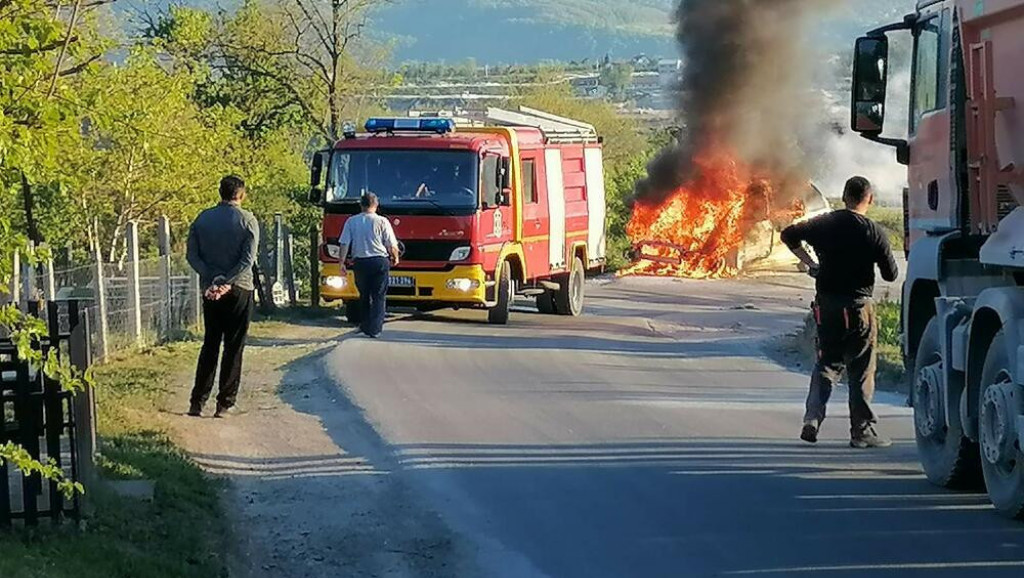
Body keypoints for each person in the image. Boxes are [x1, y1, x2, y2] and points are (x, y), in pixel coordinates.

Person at [781, 176, 899, 449]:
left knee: (826, 363)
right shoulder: (873, 231)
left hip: (827, 307)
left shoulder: (823, 223)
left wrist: (811, 263)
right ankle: (862, 431)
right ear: (869, 200)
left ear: (844, 197)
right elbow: (891, 275)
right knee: (860, 370)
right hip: (859, 309)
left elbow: (788, 234)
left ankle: (812, 418)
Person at [186, 175, 260, 418]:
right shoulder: (247, 220)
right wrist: (227, 280)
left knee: (210, 343)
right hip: (240, 287)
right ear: (241, 194)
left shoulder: (202, 219)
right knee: (234, 345)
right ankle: (225, 403)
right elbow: (247, 260)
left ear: (220, 193)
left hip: (210, 289)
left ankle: (197, 401)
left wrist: (213, 278)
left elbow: (192, 256)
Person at [337, 193, 401, 338]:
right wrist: (395, 257)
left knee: (364, 295)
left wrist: (341, 262)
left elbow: (345, 243)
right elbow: (391, 243)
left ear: (361, 205)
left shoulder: (351, 221)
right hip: (379, 261)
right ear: (376, 205)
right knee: (378, 296)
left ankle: (365, 325)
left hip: (360, 262)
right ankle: (375, 329)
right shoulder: (382, 221)